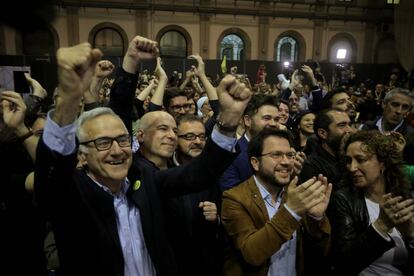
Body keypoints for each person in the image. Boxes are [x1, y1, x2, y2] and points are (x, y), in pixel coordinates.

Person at [33, 37, 251, 276]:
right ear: (82, 154)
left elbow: (200, 173)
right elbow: (51, 174)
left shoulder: (145, 180)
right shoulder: (72, 194)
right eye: (103, 143)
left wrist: (229, 121)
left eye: (123, 140)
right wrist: (68, 100)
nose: (117, 150)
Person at [221, 128, 332, 276]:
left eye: (290, 155)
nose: (286, 162)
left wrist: (316, 218)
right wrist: (291, 212)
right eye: (276, 155)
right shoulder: (235, 198)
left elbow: (321, 252)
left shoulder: (294, 194)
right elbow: (252, 254)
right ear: (255, 162)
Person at [328, 131, 414, 275]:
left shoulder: (405, 199)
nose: (352, 168)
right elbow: (343, 264)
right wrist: (381, 226)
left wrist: (412, 235)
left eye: (360, 159)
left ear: (383, 163)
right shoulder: (343, 199)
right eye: (348, 161)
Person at [300, 108, 354, 188]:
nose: (350, 130)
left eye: (349, 125)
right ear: (323, 133)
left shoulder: (352, 158)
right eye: (342, 125)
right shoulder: (313, 167)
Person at [360, 88, 414, 164]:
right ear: (384, 104)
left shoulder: (411, 137)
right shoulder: (366, 128)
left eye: (405, 107)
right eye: (395, 104)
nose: (399, 111)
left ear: (408, 112)